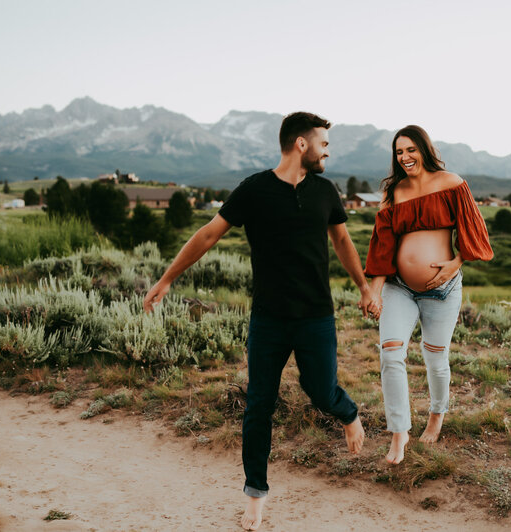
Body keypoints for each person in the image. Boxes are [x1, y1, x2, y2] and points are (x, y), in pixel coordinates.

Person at [143, 112, 372, 531]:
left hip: (316, 316)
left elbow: (341, 240)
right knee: (258, 407)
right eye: (323, 143)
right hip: (268, 319)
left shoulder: (326, 191)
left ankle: (348, 413)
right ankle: (255, 496)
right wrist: (166, 279)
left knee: (321, 390)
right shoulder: (254, 189)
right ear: (301, 144)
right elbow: (209, 234)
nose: (327, 151)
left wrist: (364, 287)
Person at [364, 125, 493, 465]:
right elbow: (381, 247)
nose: (404, 157)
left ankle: (437, 415)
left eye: (410, 150)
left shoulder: (452, 183)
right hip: (399, 288)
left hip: (443, 289)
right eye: (398, 152)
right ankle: (399, 433)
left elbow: (473, 229)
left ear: (424, 148)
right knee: (390, 355)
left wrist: (456, 263)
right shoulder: (394, 193)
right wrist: (374, 292)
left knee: (435, 358)